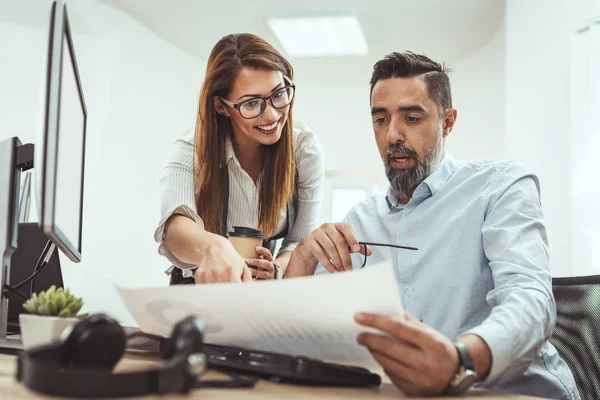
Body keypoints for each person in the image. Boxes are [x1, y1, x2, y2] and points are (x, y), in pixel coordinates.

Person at [284, 52, 580, 399]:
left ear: (448, 122)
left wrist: (460, 359)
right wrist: (302, 259)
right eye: (381, 119)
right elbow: (299, 330)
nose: (393, 134)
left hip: (513, 392)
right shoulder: (359, 222)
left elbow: (531, 300)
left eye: (411, 117)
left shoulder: (500, 187)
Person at [155, 33, 324, 285]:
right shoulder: (190, 149)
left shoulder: (303, 150)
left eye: (279, 94)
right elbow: (175, 229)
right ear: (221, 106)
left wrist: (274, 268)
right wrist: (213, 248)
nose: (271, 115)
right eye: (251, 103)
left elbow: (299, 241)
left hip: (263, 285)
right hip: (198, 283)